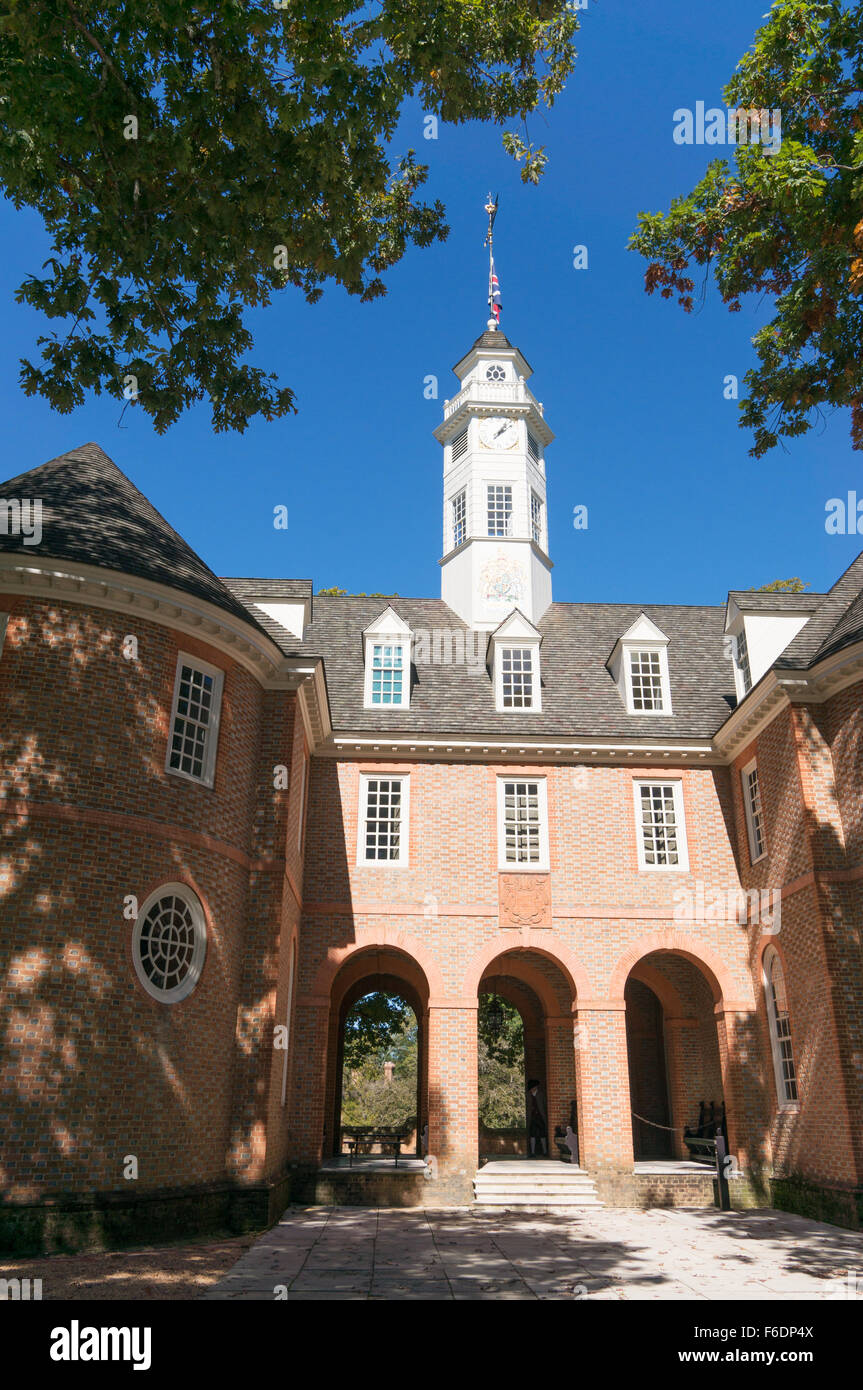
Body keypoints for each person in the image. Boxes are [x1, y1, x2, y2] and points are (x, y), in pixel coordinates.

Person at [527, 1078, 547, 1156]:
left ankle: (545, 1151)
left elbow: (544, 1105)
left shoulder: (541, 1094)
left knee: (543, 1134)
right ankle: (532, 1152)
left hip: (540, 1116)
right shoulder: (528, 1095)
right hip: (532, 1117)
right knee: (532, 1134)